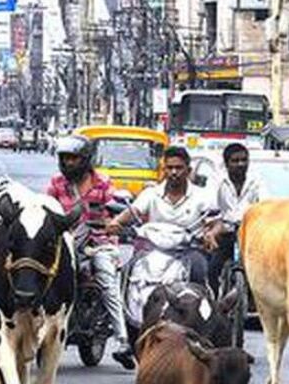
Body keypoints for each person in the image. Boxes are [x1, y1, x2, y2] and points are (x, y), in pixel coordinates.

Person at [45, 135, 134, 369]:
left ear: (85, 159)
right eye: (64, 158)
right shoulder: (56, 183)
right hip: (66, 242)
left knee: (106, 280)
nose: (67, 163)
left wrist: (113, 222)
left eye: (73, 158)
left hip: (99, 243)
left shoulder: (103, 183)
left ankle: (123, 341)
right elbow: (46, 209)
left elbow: (117, 211)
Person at [107, 146, 216, 286]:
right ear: (164, 170)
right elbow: (133, 211)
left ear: (188, 171)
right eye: (169, 168)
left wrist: (211, 233)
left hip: (187, 250)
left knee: (199, 272)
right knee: (127, 270)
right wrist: (116, 222)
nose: (174, 172)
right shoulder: (151, 194)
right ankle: (123, 307)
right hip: (151, 249)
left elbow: (215, 221)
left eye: (179, 168)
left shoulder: (202, 196)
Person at [203, 143, 259, 290]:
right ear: (226, 164)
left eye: (244, 160)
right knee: (213, 268)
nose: (240, 164)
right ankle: (214, 298)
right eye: (235, 161)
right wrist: (215, 225)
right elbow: (210, 205)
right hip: (224, 231)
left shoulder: (256, 181)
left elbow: (265, 203)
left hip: (250, 233)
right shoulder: (217, 181)